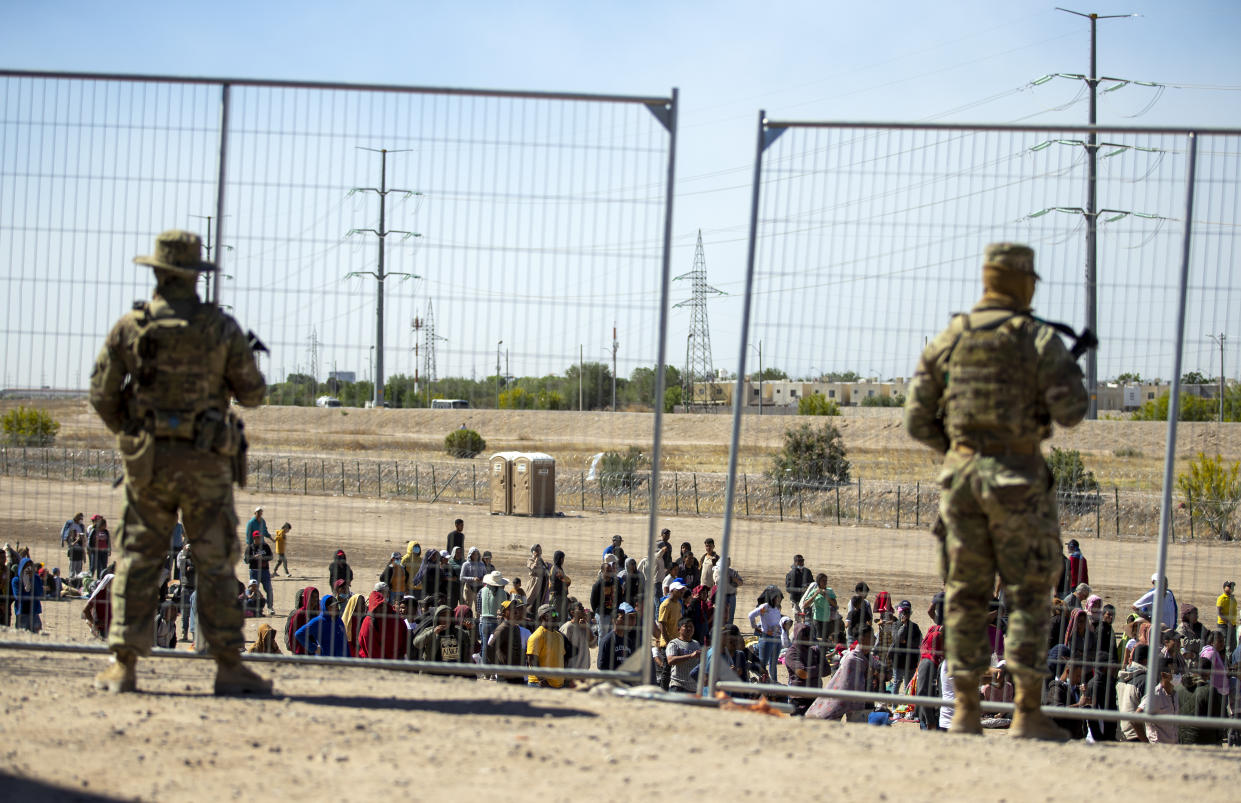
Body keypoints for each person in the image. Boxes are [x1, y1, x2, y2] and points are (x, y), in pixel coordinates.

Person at [904, 242, 1088, 739]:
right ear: (1023, 283)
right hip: (1018, 482)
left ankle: (964, 710)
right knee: (1028, 594)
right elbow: (1073, 409)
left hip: (962, 485)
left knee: (965, 595)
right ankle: (1027, 714)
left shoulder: (952, 336)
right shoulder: (1035, 337)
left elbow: (917, 417)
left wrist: (959, 450)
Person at [88, 231, 270, 695]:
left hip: (148, 463)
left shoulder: (132, 326)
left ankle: (123, 664)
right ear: (195, 276)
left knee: (139, 558)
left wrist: (133, 433)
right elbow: (252, 393)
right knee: (214, 562)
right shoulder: (220, 328)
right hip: (206, 464)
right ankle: (228, 664)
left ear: (157, 272)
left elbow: (101, 394)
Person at [526, 604, 567, 687]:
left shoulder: (559, 636)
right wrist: (541, 679)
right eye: (553, 614)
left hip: (558, 684)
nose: (556, 617)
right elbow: (532, 660)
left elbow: (561, 658)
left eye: (557, 614)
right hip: (540, 684)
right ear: (543, 617)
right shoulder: (537, 635)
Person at [748, 589, 784, 682]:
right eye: (778, 597)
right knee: (763, 665)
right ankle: (762, 685)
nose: (779, 599)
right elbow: (751, 615)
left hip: (777, 638)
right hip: (767, 639)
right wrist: (754, 626)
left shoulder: (776, 608)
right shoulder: (765, 607)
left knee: (773, 664)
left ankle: (774, 684)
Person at [890, 599, 923, 694]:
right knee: (896, 682)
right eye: (904, 611)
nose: (906, 614)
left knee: (908, 685)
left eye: (908, 611)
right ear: (899, 612)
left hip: (911, 661)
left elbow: (918, 642)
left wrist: (905, 642)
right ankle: (894, 706)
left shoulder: (915, 627)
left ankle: (905, 707)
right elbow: (897, 639)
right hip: (898, 660)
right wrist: (904, 626)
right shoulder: (896, 625)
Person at [665, 617, 703, 693]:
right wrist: (690, 656)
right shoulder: (674, 643)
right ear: (678, 629)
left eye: (691, 627)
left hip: (693, 688)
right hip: (678, 686)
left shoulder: (696, 644)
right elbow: (670, 660)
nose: (689, 629)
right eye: (686, 626)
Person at [598, 602, 637, 671]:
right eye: (622, 618)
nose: (626, 621)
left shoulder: (629, 642)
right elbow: (601, 666)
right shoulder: (607, 641)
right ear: (615, 620)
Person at [10, 556, 44, 633]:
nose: (28, 569)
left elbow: (39, 593)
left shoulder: (36, 578)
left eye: (30, 566)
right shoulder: (16, 581)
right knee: (21, 637)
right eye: (26, 566)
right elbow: (18, 597)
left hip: (34, 613)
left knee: (37, 636)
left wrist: (32, 579)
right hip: (22, 613)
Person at [244, 536, 275, 616]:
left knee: (269, 589)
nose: (258, 539)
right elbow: (246, 560)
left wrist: (263, 557)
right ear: (253, 538)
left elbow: (271, 557)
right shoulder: (250, 548)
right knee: (253, 590)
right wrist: (254, 557)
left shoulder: (265, 546)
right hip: (254, 571)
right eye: (256, 538)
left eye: (259, 537)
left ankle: (270, 607)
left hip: (265, 571)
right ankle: (253, 609)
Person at [590, 560, 622, 637]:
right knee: (602, 635)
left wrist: (617, 609)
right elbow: (593, 601)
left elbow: (620, 596)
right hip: (602, 615)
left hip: (613, 613)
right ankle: (601, 649)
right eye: (607, 570)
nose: (610, 572)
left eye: (611, 570)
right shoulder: (598, 585)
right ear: (602, 571)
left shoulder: (616, 582)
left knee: (612, 634)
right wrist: (598, 613)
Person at [285, 587, 320, 655]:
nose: (314, 600)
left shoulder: (317, 613)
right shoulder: (298, 614)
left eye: (316, 597)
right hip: (301, 652)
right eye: (312, 597)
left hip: (315, 652)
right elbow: (291, 635)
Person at [459, 547, 487, 613]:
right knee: (468, 607)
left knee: (479, 607)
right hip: (469, 588)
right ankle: (468, 620)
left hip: (480, 588)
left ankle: (478, 621)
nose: (475, 555)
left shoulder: (481, 564)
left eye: (477, 554)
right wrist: (473, 579)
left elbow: (485, 574)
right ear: (470, 554)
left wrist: (482, 578)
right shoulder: (466, 564)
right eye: (473, 554)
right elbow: (461, 577)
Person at [548, 550, 572, 622]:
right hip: (557, 598)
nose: (563, 561)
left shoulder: (555, 568)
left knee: (559, 615)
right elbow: (567, 581)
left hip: (558, 596)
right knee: (556, 616)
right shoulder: (557, 570)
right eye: (562, 559)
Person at [1216, 579, 1237, 659]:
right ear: (1224, 587)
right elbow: (1219, 613)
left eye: (1232, 586)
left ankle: (1231, 662)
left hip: (1232, 625)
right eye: (1229, 586)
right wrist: (1228, 623)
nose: (1231, 588)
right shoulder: (1221, 598)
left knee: (1232, 646)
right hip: (1224, 626)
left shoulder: (1232, 599)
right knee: (1224, 645)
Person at [87, 515, 111, 580]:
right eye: (105, 524)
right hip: (95, 552)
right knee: (94, 566)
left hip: (104, 552)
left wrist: (109, 549)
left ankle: (100, 580)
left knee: (103, 567)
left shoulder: (106, 531)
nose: (106, 526)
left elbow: (108, 541)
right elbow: (89, 540)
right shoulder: (94, 530)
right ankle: (89, 579)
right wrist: (89, 549)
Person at [526, 544, 550, 609]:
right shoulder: (530, 560)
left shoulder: (542, 560)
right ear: (533, 551)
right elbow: (532, 568)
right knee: (531, 600)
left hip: (542, 583)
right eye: (536, 550)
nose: (538, 552)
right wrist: (536, 561)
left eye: (539, 550)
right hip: (534, 584)